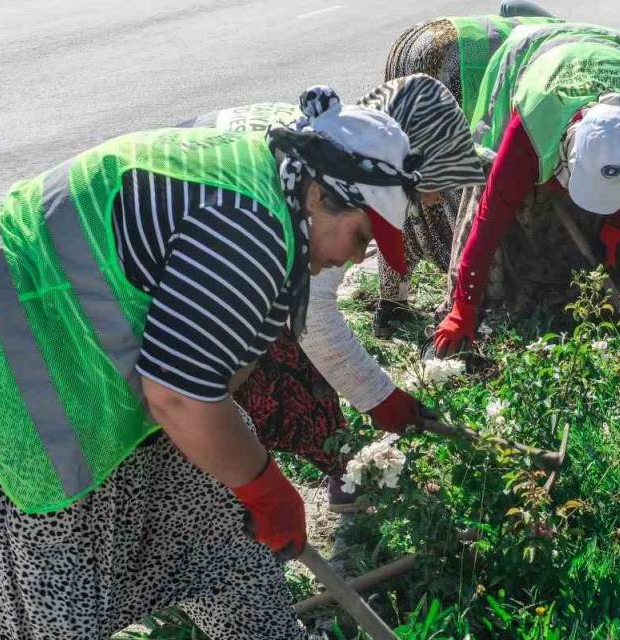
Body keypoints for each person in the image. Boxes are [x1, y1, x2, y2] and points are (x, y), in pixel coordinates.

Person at [0, 86, 421, 639]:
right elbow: (178, 396)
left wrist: (245, 471)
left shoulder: (282, 213)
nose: (354, 258)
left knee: (221, 530)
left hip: (68, 339)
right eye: (361, 236)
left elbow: (209, 380)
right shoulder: (251, 229)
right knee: (49, 569)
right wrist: (265, 487)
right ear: (319, 194)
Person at [186, 77, 485, 511]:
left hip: (202, 235)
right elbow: (315, 321)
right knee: (258, 361)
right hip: (177, 254)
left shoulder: (341, 161)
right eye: (431, 181)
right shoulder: (330, 195)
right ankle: (234, 484)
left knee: (284, 342)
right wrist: (380, 398)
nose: (437, 199)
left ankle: (311, 469)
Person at [432, 20, 620, 356]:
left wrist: (616, 231)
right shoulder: (531, 124)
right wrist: (463, 305)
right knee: (503, 204)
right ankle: (497, 307)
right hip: (533, 56)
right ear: (565, 149)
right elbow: (490, 218)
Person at [379, 7, 560, 335]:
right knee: (463, 194)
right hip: (459, 59)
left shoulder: (553, 30)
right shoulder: (568, 52)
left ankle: (391, 303)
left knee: (407, 186)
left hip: (418, 38)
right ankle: (463, 296)